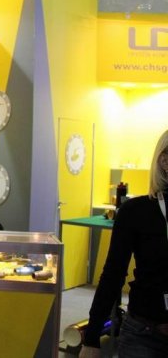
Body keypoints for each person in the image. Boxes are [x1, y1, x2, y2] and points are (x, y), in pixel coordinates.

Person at [79, 130, 168, 358]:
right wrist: (92, 336)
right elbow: (113, 274)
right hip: (144, 335)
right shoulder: (136, 211)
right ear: (164, 161)